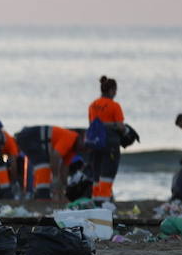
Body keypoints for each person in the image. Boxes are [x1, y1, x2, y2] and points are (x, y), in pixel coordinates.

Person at [14, 125, 83, 201]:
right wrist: (55, 177)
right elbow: (55, 157)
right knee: (43, 165)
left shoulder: (73, 150)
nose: (83, 150)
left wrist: (64, 187)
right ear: (81, 139)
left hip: (39, 142)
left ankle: (43, 194)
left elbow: (64, 169)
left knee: (44, 163)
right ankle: (42, 196)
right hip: (29, 137)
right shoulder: (70, 138)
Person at [87, 75, 127, 203]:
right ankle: (104, 201)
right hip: (110, 143)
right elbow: (120, 126)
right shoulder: (114, 106)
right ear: (111, 90)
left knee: (97, 174)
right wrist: (122, 129)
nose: (116, 93)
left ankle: (96, 200)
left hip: (95, 143)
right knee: (108, 173)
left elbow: (92, 124)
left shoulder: (92, 105)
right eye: (115, 90)